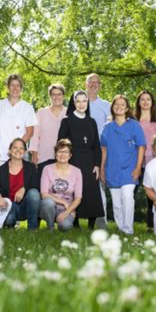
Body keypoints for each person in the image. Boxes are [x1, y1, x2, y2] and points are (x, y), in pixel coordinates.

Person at [58, 90, 105, 229]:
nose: (81, 104)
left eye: (84, 101)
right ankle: (75, 222)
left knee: (91, 192)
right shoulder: (67, 121)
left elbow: (97, 145)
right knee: (74, 191)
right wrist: (65, 163)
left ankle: (91, 224)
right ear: (73, 103)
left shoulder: (92, 121)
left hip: (90, 161)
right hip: (73, 160)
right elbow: (61, 143)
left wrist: (97, 164)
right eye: (78, 101)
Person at [100, 95, 145, 235]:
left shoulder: (134, 125)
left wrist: (138, 168)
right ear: (112, 107)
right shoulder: (107, 127)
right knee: (117, 204)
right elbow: (104, 149)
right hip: (112, 169)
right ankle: (121, 228)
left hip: (129, 170)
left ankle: (128, 229)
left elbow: (141, 147)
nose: (119, 107)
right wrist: (102, 168)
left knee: (127, 196)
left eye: (122, 104)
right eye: (116, 104)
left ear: (127, 108)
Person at [134, 90, 156, 231]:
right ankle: (126, 225)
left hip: (154, 161)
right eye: (142, 99)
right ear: (138, 102)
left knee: (151, 194)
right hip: (136, 161)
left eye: (148, 99)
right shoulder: (133, 119)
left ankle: (151, 226)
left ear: (152, 102)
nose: (145, 102)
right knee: (131, 192)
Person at [0, 74, 37, 166]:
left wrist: (16, 149)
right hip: (0, 156)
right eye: (12, 85)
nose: (15, 88)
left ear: (21, 88)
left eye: (18, 85)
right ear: (8, 87)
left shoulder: (27, 108)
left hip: (19, 155)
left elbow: (30, 132)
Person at [39, 139, 83, 231]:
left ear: (70, 155)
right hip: (49, 207)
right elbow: (44, 194)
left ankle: (62, 222)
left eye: (66, 152)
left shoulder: (77, 171)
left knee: (65, 226)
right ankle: (50, 228)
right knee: (48, 202)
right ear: (55, 154)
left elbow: (78, 198)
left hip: (67, 209)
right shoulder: (47, 169)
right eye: (59, 151)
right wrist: (63, 202)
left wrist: (67, 212)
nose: (62, 154)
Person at [85, 73, 111, 228]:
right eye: (91, 82)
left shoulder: (106, 105)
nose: (94, 85)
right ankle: (76, 220)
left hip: (100, 150)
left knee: (99, 185)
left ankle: (101, 219)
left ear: (100, 85)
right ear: (85, 84)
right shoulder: (77, 102)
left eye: (97, 82)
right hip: (81, 151)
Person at [0, 138, 41, 230]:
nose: (18, 150)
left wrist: (23, 189)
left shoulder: (31, 167)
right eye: (15, 148)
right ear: (10, 150)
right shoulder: (1, 170)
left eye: (21, 148)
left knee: (34, 193)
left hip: (26, 207)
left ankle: (33, 229)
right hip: (9, 207)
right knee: (8, 220)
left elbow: (36, 186)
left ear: (25, 151)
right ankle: (10, 225)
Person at [29, 84, 67, 179]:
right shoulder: (41, 113)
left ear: (63, 96)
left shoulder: (69, 114)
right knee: (44, 191)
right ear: (50, 96)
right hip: (43, 158)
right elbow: (34, 137)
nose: (56, 97)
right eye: (53, 94)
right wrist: (34, 156)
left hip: (64, 159)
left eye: (59, 94)